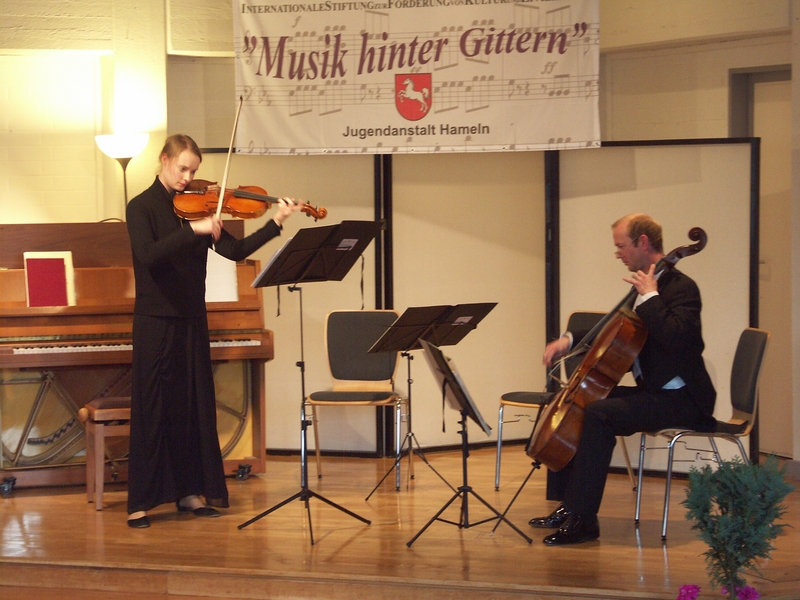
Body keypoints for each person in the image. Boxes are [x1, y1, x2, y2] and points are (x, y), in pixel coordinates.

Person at [125, 134, 304, 528]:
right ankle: (140, 501)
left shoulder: (195, 209)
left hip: (191, 319)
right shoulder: (141, 207)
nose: (188, 178)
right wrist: (196, 229)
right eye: (182, 168)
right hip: (155, 322)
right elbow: (149, 255)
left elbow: (236, 252)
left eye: (193, 171)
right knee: (153, 408)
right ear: (164, 160)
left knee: (191, 407)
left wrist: (275, 222)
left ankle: (189, 493)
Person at [530, 213, 716, 545]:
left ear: (643, 242)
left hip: (682, 400)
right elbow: (615, 327)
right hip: (653, 393)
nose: (618, 253)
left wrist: (650, 298)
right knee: (575, 402)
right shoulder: (645, 283)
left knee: (600, 415)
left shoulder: (680, 288)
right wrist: (568, 341)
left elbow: (676, 338)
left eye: (621, 246)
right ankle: (569, 506)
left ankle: (584, 521)